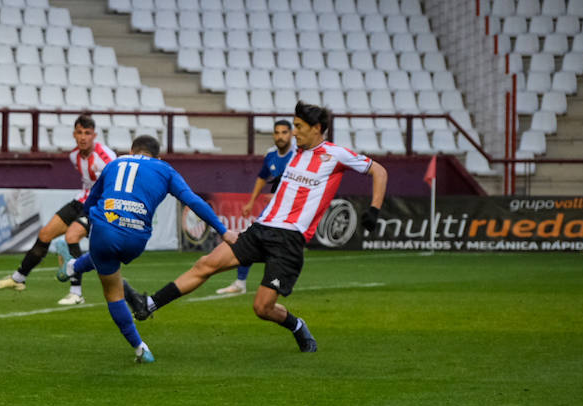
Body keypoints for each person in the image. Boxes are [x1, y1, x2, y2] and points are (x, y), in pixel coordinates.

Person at [124, 101, 387, 353]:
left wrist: (373, 209)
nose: (294, 133)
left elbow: (379, 171)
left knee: (262, 308)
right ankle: (150, 304)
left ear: (317, 128)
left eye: (298, 127)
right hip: (261, 229)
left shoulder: (336, 155)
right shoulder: (293, 153)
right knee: (206, 263)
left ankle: (297, 325)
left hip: (289, 240)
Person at [55, 134, 237, 363]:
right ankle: (73, 267)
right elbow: (193, 201)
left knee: (112, 288)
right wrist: (223, 231)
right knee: (110, 257)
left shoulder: (114, 163)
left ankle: (141, 348)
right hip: (136, 239)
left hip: (103, 229)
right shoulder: (164, 168)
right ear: (157, 156)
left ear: (132, 152)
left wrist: (89, 220)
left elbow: (91, 200)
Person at [0, 114, 116, 305]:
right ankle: (19, 278)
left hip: (98, 206)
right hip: (80, 201)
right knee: (45, 234)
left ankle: (76, 293)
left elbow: (116, 185)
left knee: (71, 237)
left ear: (94, 135)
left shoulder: (106, 157)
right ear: (74, 134)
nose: (83, 137)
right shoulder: (74, 156)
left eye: (87, 133)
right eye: (79, 132)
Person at [215, 119, 295, 295]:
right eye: (277, 132)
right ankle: (241, 283)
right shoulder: (271, 155)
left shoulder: (298, 155)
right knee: (252, 238)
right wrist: (251, 202)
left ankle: (276, 282)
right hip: (276, 208)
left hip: (296, 208)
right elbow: (262, 177)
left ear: (291, 134)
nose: (280, 136)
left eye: (284, 132)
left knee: (283, 244)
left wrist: (281, 194)